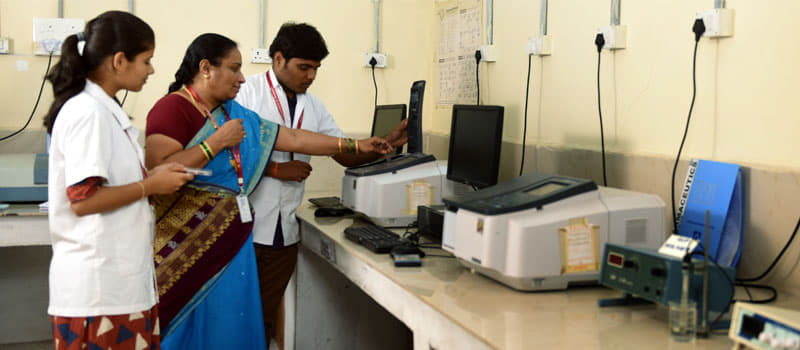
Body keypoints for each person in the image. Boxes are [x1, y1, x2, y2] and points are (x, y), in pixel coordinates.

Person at [144, 33, 392, 349]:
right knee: (186, 330)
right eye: (234, 69)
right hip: (184, 248)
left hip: (230, 243)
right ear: (206, 68)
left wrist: (356, 145)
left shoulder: (234, 113)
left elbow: (294, 139)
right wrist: (216, 143)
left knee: (229, 329)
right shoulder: (171, 109)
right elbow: (159, 172)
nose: (241, 78)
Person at [234, 22, 407, 345]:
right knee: (235, 320)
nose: (311, 76)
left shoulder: (313, 106)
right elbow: (228, 154)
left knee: (265, 319)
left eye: (316, 68)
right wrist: (274, 170)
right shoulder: (247, 93)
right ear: (278, 59)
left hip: (282, 235)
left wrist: (384, 143)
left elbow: (343, 153)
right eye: (304, 67)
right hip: (243, 231)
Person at [44, 11, 193, 350]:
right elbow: (83, 200)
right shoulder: (88, 113)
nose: (151, 70)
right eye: (146, 60)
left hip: (117, 288)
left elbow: (106, 185)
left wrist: (152, 177)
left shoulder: (104, 112)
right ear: (119, 61)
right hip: (98, 296)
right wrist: (149, 186)